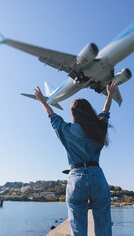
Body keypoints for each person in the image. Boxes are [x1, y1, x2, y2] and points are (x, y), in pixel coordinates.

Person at [34, 81, 118, 236]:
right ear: (89, 112)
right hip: (97, 176)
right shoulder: (98, 128)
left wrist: (41, 100)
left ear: (73, 115)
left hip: (76, 178)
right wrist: (110, 94)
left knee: (78, 229)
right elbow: (105, 113)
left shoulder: (66, 130)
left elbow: (52, 116)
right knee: (104, 225)